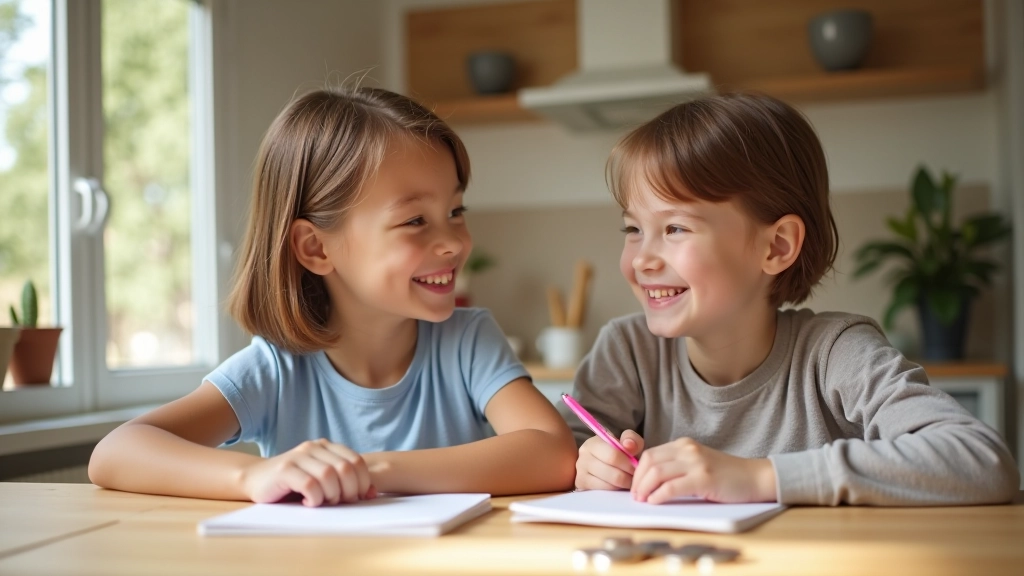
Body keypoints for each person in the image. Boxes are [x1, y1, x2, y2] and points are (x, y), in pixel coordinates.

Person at [89, 87, 577, 506]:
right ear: (316, 247)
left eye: (455, 209)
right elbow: (116, 452)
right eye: (414, 221)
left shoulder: (467, 341)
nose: (454, 241)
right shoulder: (277, 369)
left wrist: (371, 470)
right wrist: (253, 476)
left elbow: (551, 453)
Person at [566, 92, 1020, 506]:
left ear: (777, 246)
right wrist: (586, 463)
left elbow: (981, 459)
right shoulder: (627, 350)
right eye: (633, 230)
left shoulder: (834, 352)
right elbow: (558, 452)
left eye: (675, 228)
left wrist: (760, 477)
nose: (642, 259)